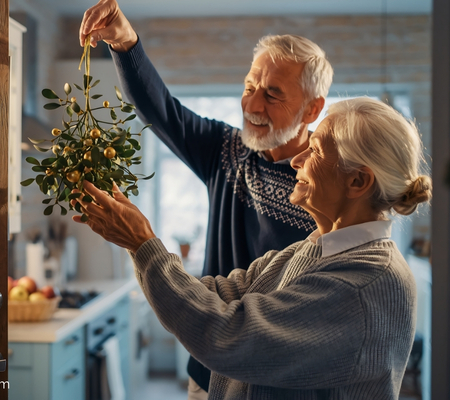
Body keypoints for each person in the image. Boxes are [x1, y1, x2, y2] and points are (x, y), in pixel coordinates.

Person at [72, 97, 432, 399]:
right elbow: (221, 295)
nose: (296, 161)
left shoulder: (365, 284)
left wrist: (142, 242)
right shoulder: (317, 248)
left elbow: (229, 335)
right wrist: (136, 243)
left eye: (315, 150)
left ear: (358, 180)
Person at [80, 1, 334, 395]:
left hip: (275, 382)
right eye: (250, 87)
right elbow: (161, 110)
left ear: (312, 108)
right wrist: (125, 41)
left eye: (272, 95)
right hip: (207, 368)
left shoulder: (322, 185)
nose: (251, 106)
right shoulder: (226, 150)